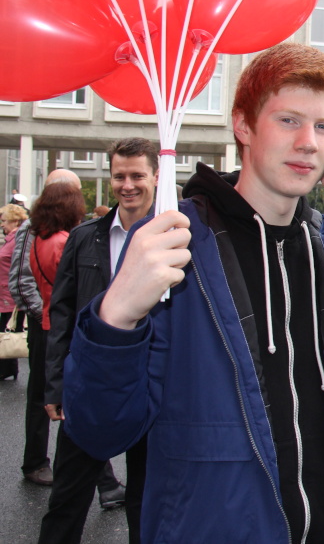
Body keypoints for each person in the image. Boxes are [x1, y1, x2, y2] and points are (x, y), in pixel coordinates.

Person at [62, 43, 324, 543]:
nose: (308, 143)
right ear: (243, 126)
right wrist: (116, 317)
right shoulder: (175, 245)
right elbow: (101, 430)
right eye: (289, 121)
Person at [40, 137, 159, 544]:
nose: (128, 185)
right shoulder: (84, 237)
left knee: (146, 503)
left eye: (137, 175)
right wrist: (55, 384)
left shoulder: (176, 235)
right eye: (119, 176)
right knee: (67, 497)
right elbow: (62, 315)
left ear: (155, 176)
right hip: (90, 384)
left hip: (151, 385)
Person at [13, 169, 83, 487]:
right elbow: (24, 279)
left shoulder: (41, 235)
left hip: (45, 320)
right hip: (51, 324)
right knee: (57, 397)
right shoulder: (56, 240)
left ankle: (103, 481)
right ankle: (101, 480)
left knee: (45, 395)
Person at [0, 203, 29, 380]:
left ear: (15, 221)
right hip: (5, 292)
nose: (2, 224)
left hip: (9, 294)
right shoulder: (10, 239)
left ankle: (6, 367)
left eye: (4, 221)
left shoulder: (17, 239)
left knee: (7, 330)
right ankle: (8, 367)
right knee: (7, 328)